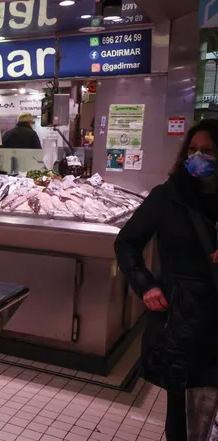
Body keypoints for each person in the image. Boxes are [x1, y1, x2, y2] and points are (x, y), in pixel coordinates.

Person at [114, 119, 218, 441]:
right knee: (182, 416)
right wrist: (146, 286)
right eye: (192, 149)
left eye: (208, 151)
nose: (197, 157)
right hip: (182, 324)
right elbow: (127, 242)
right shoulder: (168, 197)